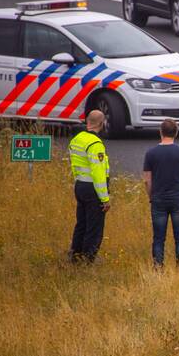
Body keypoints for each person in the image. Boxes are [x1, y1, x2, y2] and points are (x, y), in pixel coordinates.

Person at [142, 119, 179, 266]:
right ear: (176, 133)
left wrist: (151, 196)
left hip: (158, 199)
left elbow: (147, 180)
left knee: (158, 238)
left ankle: (158, 266)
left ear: (160, 132)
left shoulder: (151, 153)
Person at [68, 109, 110, 263]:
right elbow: (98, 173)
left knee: (81, 223)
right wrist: (104, 198)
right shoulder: (95, 144)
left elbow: (74, 165)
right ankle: (88, 258)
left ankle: (75, 254)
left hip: (80, 185)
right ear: (101, 123)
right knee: (94, 226)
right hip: (92, 189)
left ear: (87, 121)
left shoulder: (77, 139)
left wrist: (78, 180)